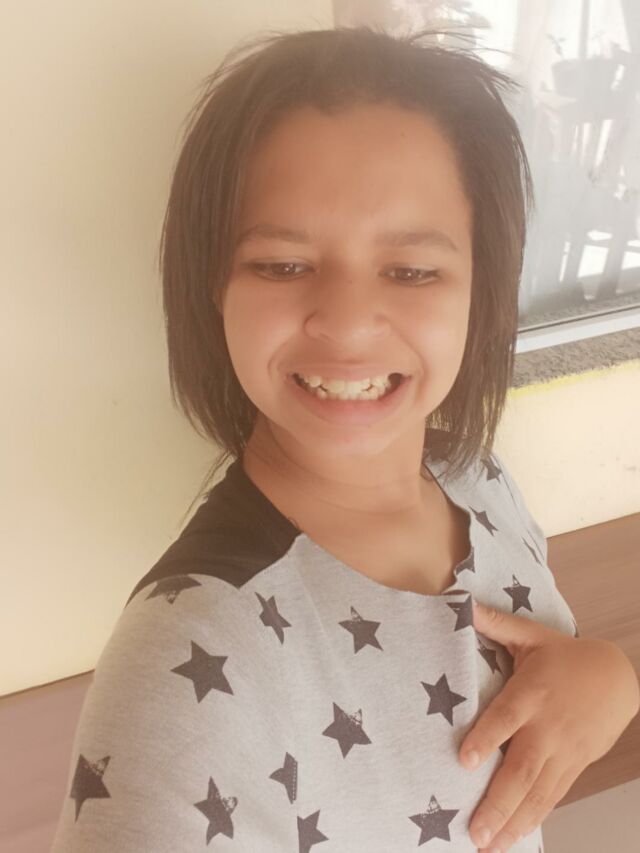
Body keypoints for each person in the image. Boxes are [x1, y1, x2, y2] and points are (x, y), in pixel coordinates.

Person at [51, 25, 639, 853]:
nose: (350, 322)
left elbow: (554, 677)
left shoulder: (477, 479)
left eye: (412, 270)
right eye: (283, 264)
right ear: (211, 285)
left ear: (481, 288)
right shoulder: (189, 654)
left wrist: (609, 679)